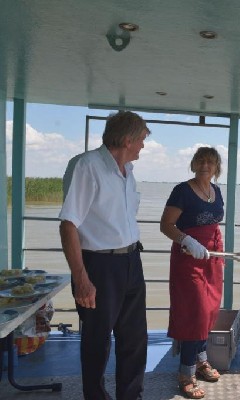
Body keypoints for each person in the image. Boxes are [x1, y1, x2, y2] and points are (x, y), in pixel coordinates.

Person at [59, 111, 150, 400]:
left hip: (131, 260)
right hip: (99, 265)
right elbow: (68, 224)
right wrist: (81, 278)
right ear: (127, 140)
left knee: (135, 338)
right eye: (141, 140)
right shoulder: (87, 166)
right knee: (97, 341)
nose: (143, 146)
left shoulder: (128, 172)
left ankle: (130, 396)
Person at [159, 147, 225, 399]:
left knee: (209, 311)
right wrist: (187, 240)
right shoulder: (182, 190)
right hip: (188, 258)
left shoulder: (217, 191)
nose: (205, 165)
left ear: (217, 167)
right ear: (193, 164)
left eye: (210, 162)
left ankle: (200, 359)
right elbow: (166, 225)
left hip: (211, 258)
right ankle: (186, 374)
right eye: (200, 161)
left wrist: (217, 252)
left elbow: (214, 225)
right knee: (194, 313)